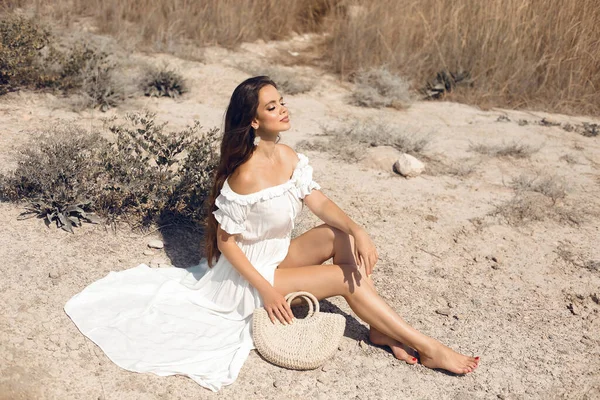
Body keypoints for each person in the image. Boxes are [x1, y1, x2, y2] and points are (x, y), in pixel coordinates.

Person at [65, 76, 478, 394]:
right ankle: (426, 346)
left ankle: (381, 330)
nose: (283, 110)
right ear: (253, 119)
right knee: (340, 278)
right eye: (272, 106)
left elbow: (318, 202)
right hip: (249, 277)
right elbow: (226, 243)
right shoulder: (245, 176)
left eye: (282, 102)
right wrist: (265, 290)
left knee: (341, 239)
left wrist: (357, 228)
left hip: (277, 254)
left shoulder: (288, 156)